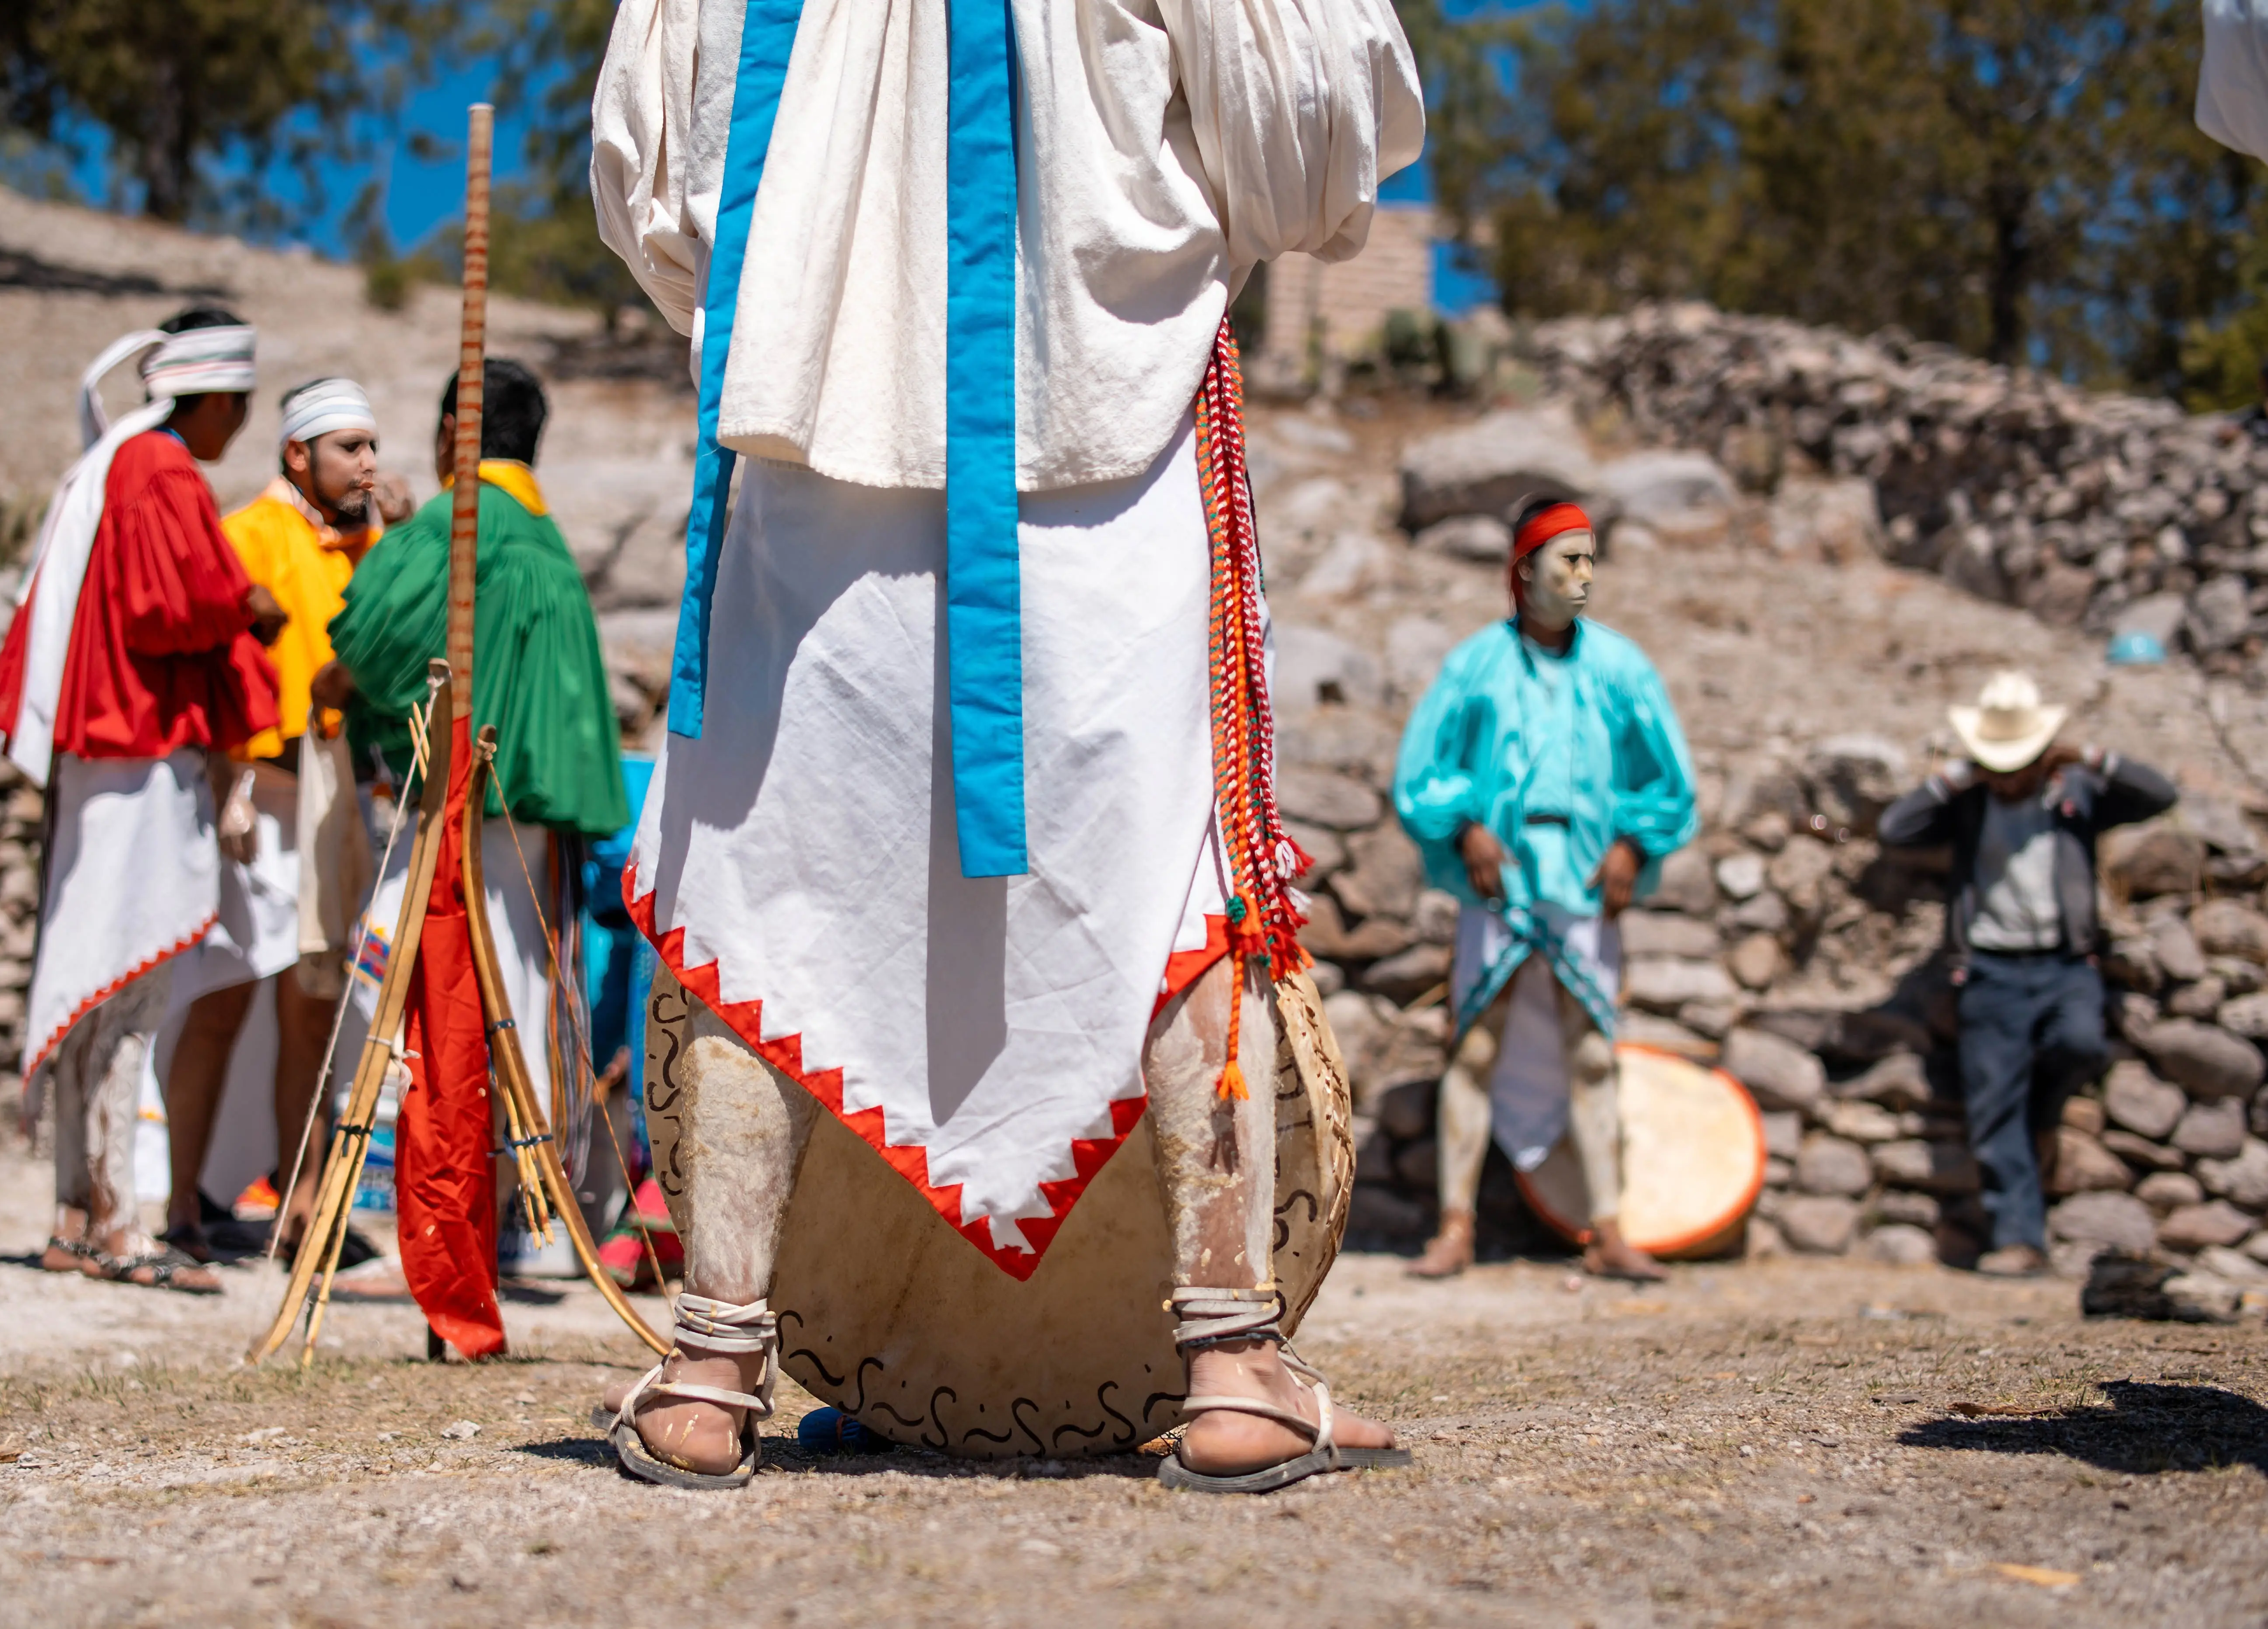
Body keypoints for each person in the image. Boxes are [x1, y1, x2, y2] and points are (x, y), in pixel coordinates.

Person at [592, 0, 1423, 1489]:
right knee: (1167, 863)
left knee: (767, 872)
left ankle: (711, 1360)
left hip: (806, 460)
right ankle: (1230, 1359)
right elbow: (1307, 150)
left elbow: (655, 194)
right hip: (1093, 461)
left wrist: (844, 284)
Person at [323, 358, 629, 1355]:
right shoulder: (543, 537)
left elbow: (366, 639)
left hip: (464, 814)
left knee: (431, 1012)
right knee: (523, 1018)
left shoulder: (463, 526)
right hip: (537, 824)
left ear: (458, 429)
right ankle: (502, 1234)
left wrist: (395, 539)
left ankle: (429, 1244)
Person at [0, 308, 283, 1295]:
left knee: (104, 989)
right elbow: (164, 606)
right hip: (140, 750)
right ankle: (117, 1221)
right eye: (237, 405)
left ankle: (76, 1210)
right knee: (126, 992)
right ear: (215, 396)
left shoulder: (122, 462)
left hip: (117, 749)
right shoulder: (158, 471)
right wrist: (247, 602)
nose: (237, 425)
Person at [1391, 498, 1698, 1284]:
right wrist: (1464, 829)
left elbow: (1666, 776)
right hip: (1500, 883)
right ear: (1523, 568)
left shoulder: (1621, 667)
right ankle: (1453, 1226)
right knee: (1474, 1042)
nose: (1584, 576)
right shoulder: (1475, 665)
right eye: (1568, 560)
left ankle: (1609, 1228)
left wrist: (1632, 842)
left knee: (1592, 1047)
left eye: (1591, 559)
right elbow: (1424, 769)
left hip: (1586, 878)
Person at [159, 377, 398, 1262]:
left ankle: (302, 1208)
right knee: (222, 1000)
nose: (368, 463)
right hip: (252, 794)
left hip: (332, 794)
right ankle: (183, 1205)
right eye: (350, 447)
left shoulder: (369, 544)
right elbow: (216, 667)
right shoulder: (246, 534)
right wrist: (223, 786)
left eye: (371, 445)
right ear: (298, 453)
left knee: (313, 1008)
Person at [1875, 671, 2176, 1278]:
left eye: (2019, 761)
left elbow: (2158, 794)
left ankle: (2044, 1114)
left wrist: (2089, 756)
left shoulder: (2077, 794)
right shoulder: (1967, 802)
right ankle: (2020, 1240)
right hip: (1987, 970)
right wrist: (1961, 772)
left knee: (2079, 1043)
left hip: (2066, 965)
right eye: (1998, 762)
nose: (2009, 775)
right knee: (1992, 1108)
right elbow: (1893, 828)